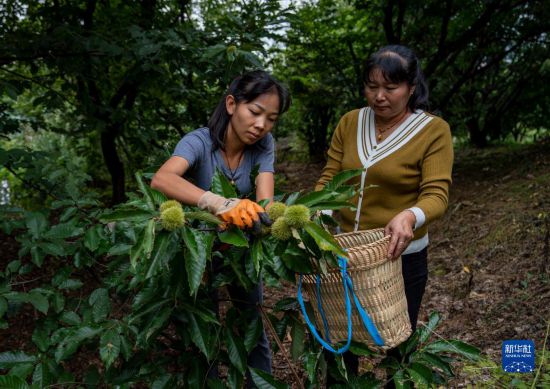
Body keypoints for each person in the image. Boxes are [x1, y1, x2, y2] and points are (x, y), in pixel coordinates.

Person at [315, 45, 453, 385]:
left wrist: (410, 216)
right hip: (345, 254)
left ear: (411, 87)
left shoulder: (433, 130)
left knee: (398, 346)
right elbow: (331, 178)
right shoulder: (351, 122)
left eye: (390, 88)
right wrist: (317, 215)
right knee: (339, 339)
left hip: (399, 256)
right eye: (371, 86)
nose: (379, 96)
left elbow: (436, 194)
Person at [151, 70, 291, 386]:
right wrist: (219, 203)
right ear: (231, 104)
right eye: (255, 112)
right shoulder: (199, 142)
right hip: (197, 251)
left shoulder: (264, 144)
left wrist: (278, 220)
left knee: (252, 322)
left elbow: (265, 199)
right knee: (205, 329)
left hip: (239, 250)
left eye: (271, 119)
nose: (261, 125)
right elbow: (162, 179)